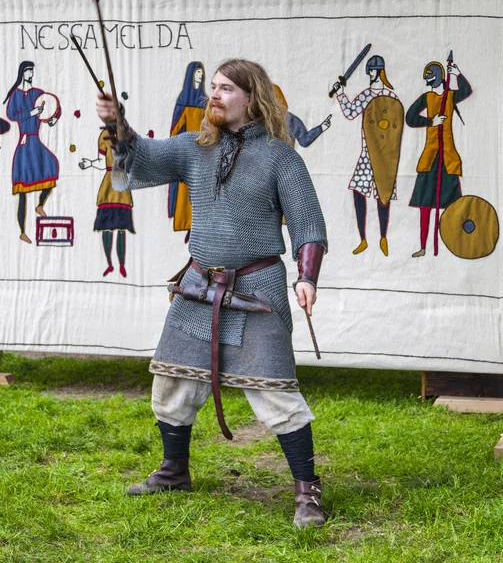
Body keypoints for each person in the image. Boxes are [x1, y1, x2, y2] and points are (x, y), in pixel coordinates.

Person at [96, 58, 328, 528]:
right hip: (199, 286)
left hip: (257, 289)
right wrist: (117, 124)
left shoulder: (281, 157)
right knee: (172, 382)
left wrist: (306, 277)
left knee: (276, 394)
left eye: (225, 89)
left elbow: (308, 226)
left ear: (252, 97)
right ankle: (173, 471)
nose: (214, 95)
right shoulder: (193, 147)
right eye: (213, 88)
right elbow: (139, 157)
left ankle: (307, 491)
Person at [333, 55, 401, 256]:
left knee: (384, 195)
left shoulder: (392, 98)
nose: (370, 74)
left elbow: (395, 127)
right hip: (367, 153)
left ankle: (383, 237)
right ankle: (363, 239)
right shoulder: (365, 95)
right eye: (369, 71)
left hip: (386, 156)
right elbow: (351, 112)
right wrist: (341, 94)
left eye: (372, 70)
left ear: (379, 71)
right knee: (358, 191)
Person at [407, 60, 472, 257]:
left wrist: (458, 73)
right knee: (425, 204)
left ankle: (452, 243)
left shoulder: (450, 96)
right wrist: (430, 121)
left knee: (453, 205)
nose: (430, 83)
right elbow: (410, 117)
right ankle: (423, 247)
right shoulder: (426, 98)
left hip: (448, 157)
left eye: (432, 79)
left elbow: (467, 91)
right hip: (430, 157)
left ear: (439, 77)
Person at [4, 61, 61, 244]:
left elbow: (51, 109)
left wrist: (51, 120)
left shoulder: (38, 93)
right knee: (22, 190)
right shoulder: (15, 95)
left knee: (52, 166)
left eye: (32, 71)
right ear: (22, 72)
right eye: (28, 71)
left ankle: (40, 205)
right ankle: (22, 230)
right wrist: (31, 112)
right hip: (25, 140)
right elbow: (12, 115)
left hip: (36, 139)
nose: (31, 73)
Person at [79, 128, 135, 277]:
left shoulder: (128, 134)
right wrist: (89, 163)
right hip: (110, 184)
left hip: (121, 183)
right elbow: (100, 161)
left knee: (121, 228)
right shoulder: (104, 135)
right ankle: (110, 264)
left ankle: (121, 264)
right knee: (107, 228)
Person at [168, 61, 207, 236]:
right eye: (197, 74)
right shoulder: (183, 102)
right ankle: (186, 223)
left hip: (204, 152)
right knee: (186, 191)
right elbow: (176, 129)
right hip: (187, 154)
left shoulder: (207, 102)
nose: (199, 77)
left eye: (201, 74)